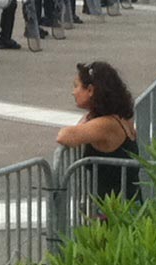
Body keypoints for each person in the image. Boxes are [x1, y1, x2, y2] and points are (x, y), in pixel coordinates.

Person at [56, 61, 139, 202]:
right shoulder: (120, 117)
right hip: (127, 200)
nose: (73, 92)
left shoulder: (105, 125)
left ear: (90, 90)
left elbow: (64, 136)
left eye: (76, 86)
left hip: (117, 208)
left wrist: (88, 116)